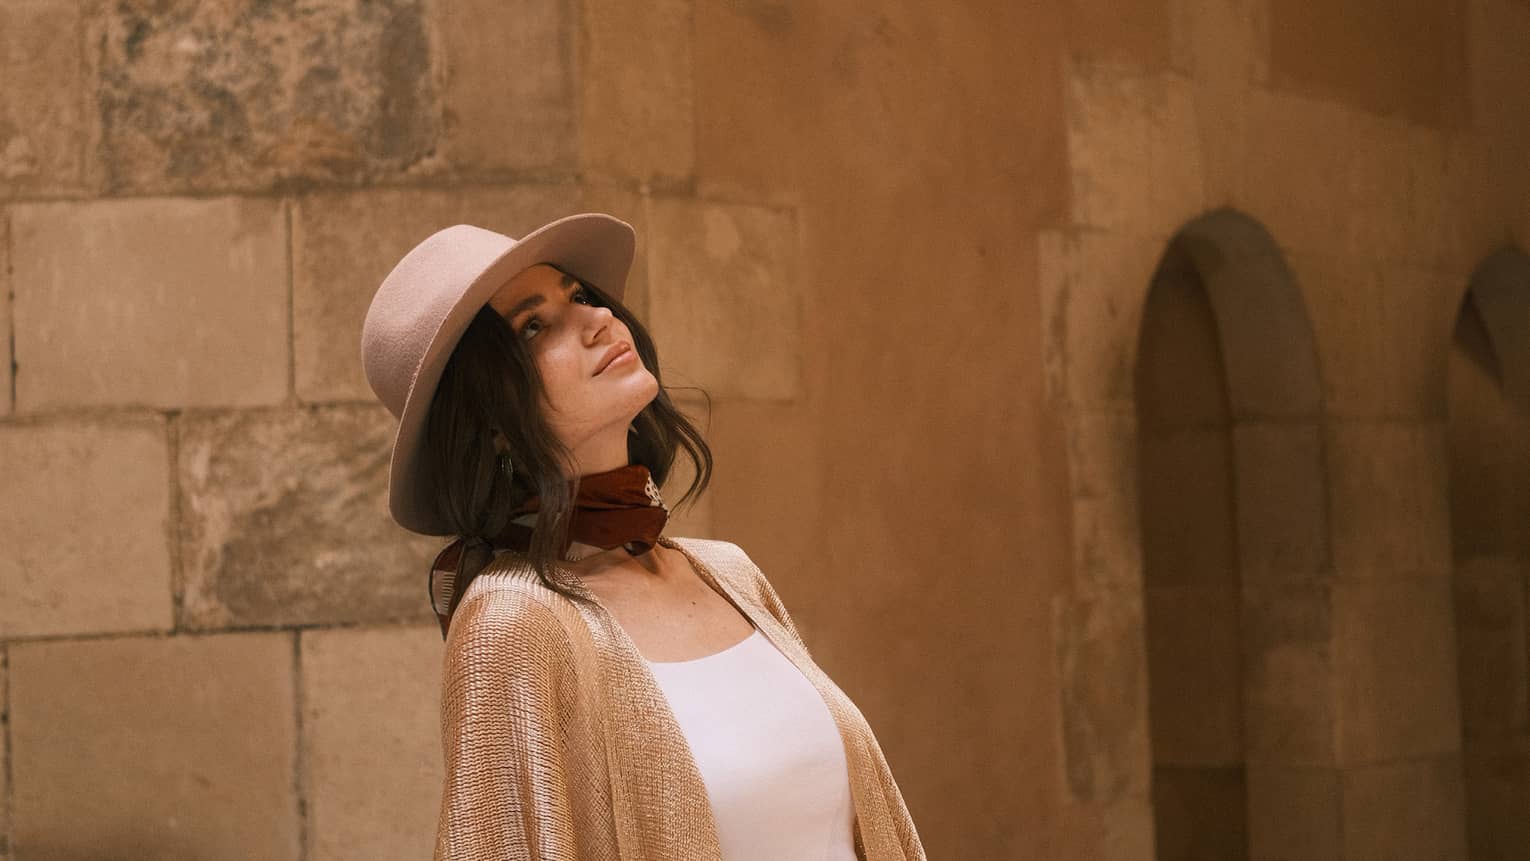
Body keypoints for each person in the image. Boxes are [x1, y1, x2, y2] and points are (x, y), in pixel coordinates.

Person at [360, 213, 925, 860]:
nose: (596, 319)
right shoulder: (513, 620)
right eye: (535, 325)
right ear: (489, 421)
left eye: (578, 295)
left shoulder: (731, 574)